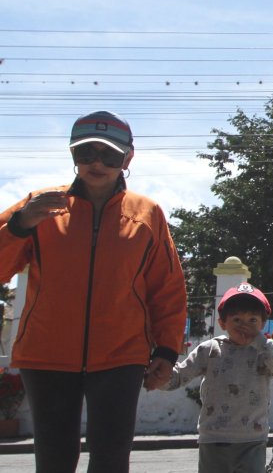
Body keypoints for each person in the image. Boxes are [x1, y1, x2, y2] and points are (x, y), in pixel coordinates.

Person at [0, 110, 187, 473]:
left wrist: (166, 349)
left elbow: (167, 287)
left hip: (121, 356)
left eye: (109, 155)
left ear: (128, 158)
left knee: (111, 459)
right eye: (85, 153)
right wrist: (20, 226)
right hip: (46, 354)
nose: (96, 163)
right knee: (53, 460)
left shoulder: (147, 214)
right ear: (72, 156)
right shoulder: (39, 205)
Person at [155, 283, 273, 473]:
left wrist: (262, 342)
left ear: (262, 324)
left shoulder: (264, 352)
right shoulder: (209, 350)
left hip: (252, 439)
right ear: (222, 323)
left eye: (252, 320)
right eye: (236, 319)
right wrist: (160, 377)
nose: (244, 325)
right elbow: (179, 376)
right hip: (213, 438)